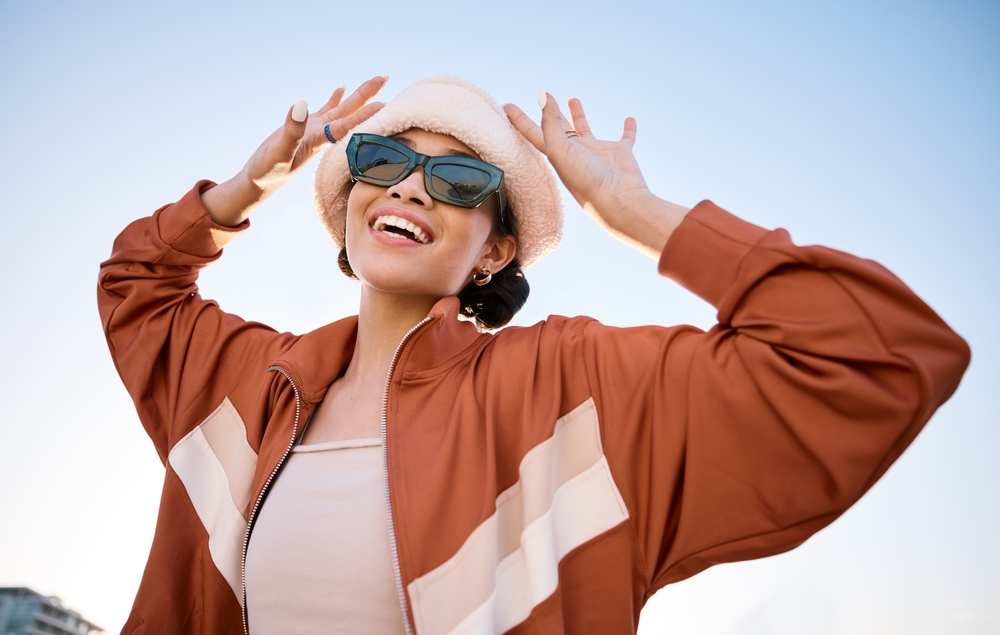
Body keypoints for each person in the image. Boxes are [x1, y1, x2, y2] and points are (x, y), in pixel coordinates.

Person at [98, 75, 970, 635]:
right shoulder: (247, 385)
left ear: (495, 252)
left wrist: (633, 210)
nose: (410, 184)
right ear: (352, 197)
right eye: (385, 159)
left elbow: (877, 353)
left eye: (459, 180)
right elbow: (136, 283)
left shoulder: (568, 389)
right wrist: (251, 182)